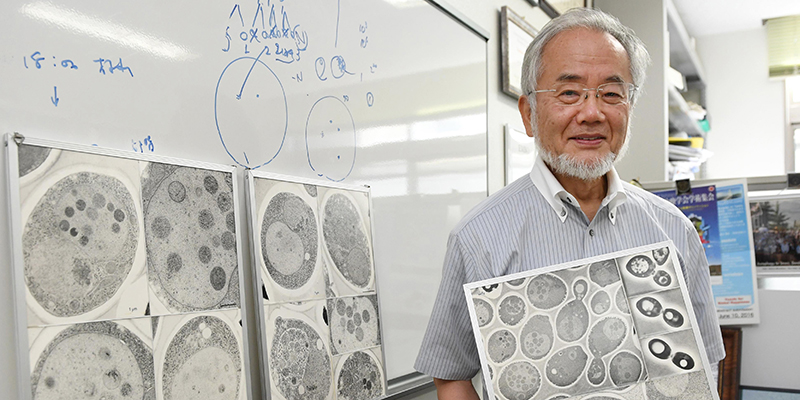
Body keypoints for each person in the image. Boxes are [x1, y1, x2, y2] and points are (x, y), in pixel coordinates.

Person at [414, 8, 725, 399]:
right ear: (529, 114)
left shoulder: (674, 229)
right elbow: (452, 373)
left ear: (629, 109)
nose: (592, 113)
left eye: (611, 94)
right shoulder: (478, 238)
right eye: (569, 93)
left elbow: (703, 364)